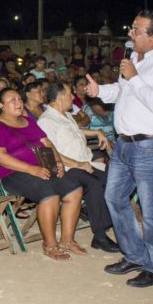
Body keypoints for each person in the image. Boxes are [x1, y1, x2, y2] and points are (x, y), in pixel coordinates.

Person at [86, 10, 153, 287]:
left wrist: (134, 77)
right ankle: (134, 255)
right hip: (124, 144)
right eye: (132, 28)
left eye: (137, 30)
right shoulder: (133, 60)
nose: (131, 33)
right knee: (114, 197)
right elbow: (122, 92)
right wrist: (99, 92)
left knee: (151, 209)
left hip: (150, 144)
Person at [0, 88, 84, 261]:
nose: (18, 102)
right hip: (14, 174)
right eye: (12, 100)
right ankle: (50, 244)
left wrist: (58, 163)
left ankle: (67, 240)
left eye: (19, 99)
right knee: (49, 193)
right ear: (0, 105)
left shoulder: (29, 122)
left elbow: (48, 144)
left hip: (42, 169)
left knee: (74, 189)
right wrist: (30, 169)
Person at [37, 82, 119, 252]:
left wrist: (97, 132)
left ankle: (95, 214)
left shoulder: (65, 115)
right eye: (69, 94)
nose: (73, 97)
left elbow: (76, 131)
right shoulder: (46, 121)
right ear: (59, 97)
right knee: (94, 184)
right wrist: (78, 164)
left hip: (83, 163)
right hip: (67, 169)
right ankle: (100, 235)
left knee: (113, 181)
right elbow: (51, 153)